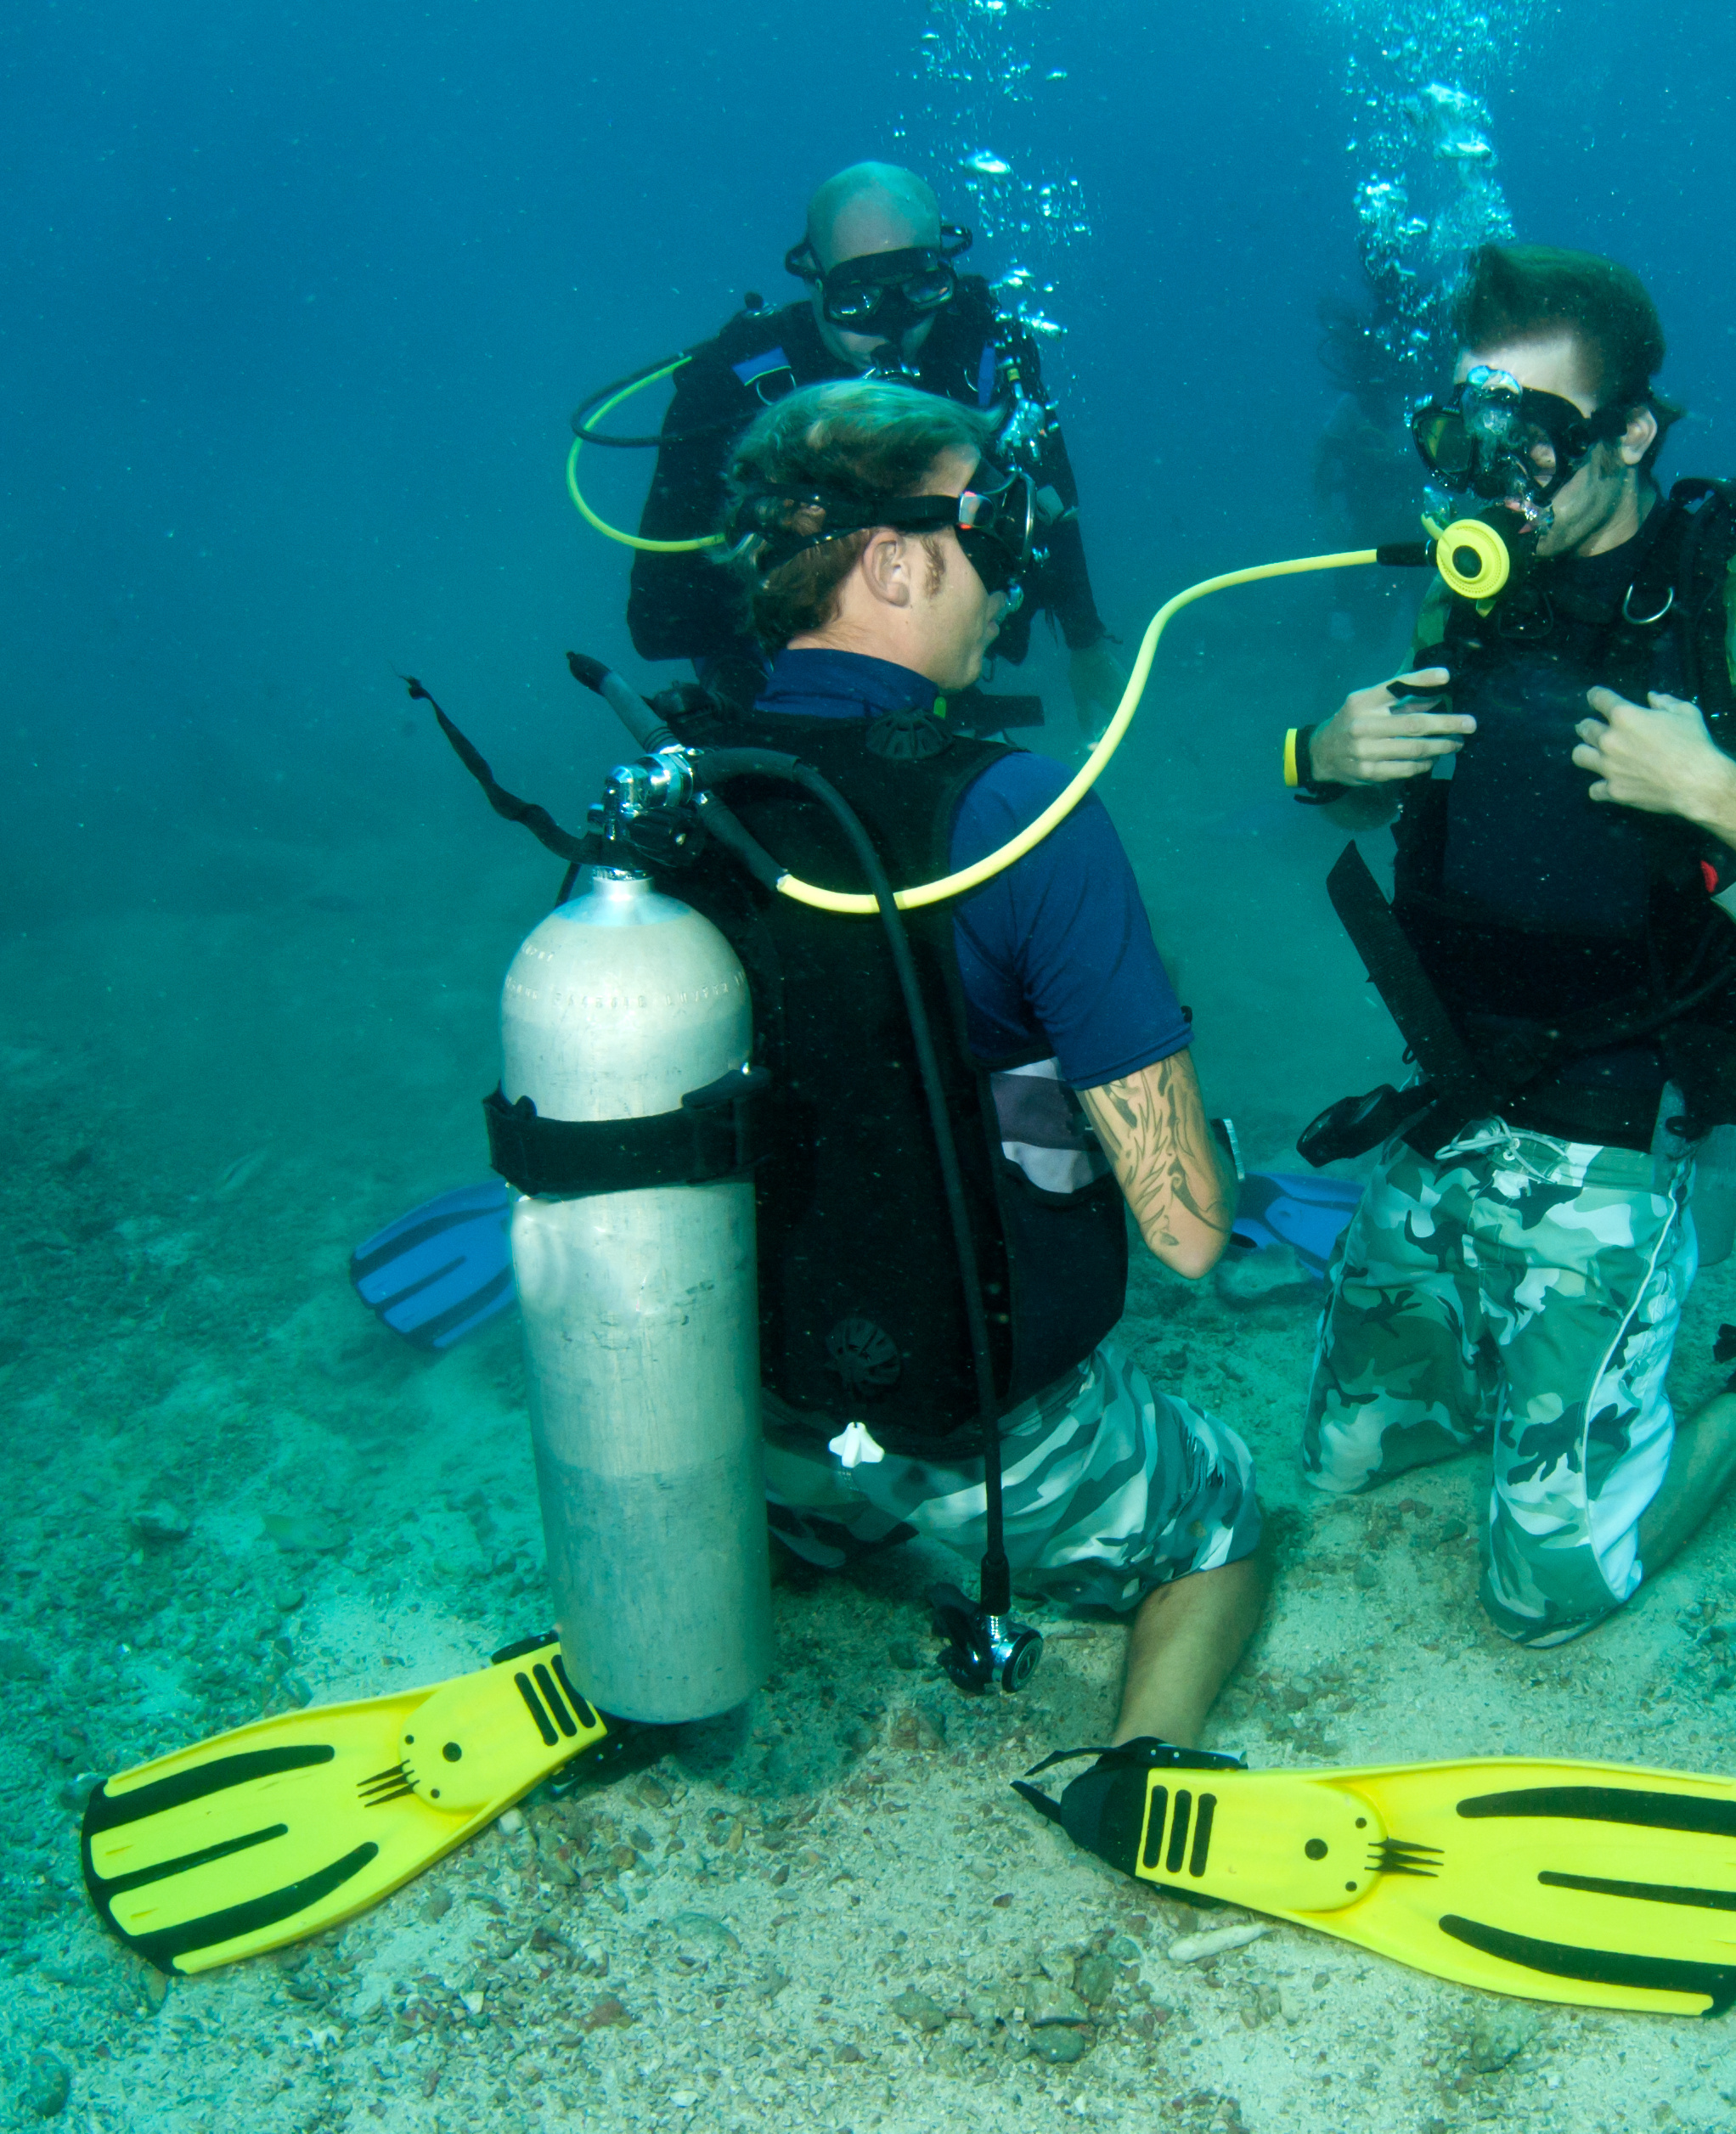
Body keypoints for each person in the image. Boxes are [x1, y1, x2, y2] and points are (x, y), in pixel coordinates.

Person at [1282, 243, 1736, 1647]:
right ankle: (1523, 1349)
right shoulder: (1467, 586)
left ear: (1632, 428)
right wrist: (1321, 757)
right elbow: (1397, 791)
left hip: (1633, 1117)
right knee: (1343, 1464)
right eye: (1465, 432)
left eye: (1531, 434)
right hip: (1454, 1092)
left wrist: (1706, 785)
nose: (1493, 473)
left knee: (1545, 1597)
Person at [664, 376, 1261, 1744]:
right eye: (990, 539)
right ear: (887, 559)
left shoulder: (677, 796)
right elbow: (1182, 1236)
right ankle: (1141, 1767)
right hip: (975, 1424)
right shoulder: (1014, 811)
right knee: (1225, 1517)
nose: (1013, 583)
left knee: (811, 1473)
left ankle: (783, 1547)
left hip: (739, 1405)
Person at [623, 162, 1128, 724]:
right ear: (812, 274)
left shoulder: (984, 345)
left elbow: (1048, 495)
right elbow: (657, 617)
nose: (892, 324)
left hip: (941, 676)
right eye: (857, 296)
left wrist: (1085, 642)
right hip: (781, 697)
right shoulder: (729, 387)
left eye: (919, 287)